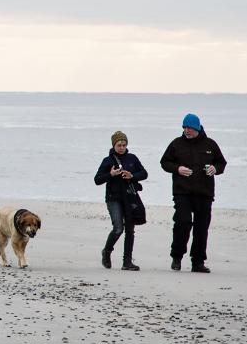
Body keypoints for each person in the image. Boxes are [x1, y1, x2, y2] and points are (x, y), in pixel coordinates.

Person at [159, 113, 227, 273]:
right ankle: (176, 257)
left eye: (189, 128)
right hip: (182, 192)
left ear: (197, 128)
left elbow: (222, 163)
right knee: (182, 223)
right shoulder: (176, 144)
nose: (186, 131)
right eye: (184, 127)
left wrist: (215, 169)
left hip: (204, 193)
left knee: (201, 228)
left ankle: (198, 262)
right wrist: (177, 168)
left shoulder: (210, 144)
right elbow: (164, 162)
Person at [94, 130, 148, 270]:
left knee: (130, 230)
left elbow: (144, 174)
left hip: (130, 198)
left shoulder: (132, 158)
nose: (122, 147)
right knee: (118, 228)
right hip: (113, 198)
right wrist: (110, 174)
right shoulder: (108, 161)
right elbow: (97, 180)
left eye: (124, 144)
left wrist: (132, 176)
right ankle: (107, 251)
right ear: (114, 145)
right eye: (119, 145)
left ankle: (127, 262)